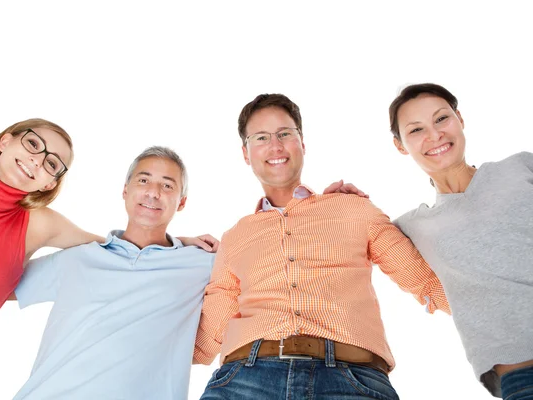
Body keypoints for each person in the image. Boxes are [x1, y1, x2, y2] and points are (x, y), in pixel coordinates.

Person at [193, 94, 450, 399]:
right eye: (261, 137)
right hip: (244, 380)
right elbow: (206, 339)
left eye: (285, 134)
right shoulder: (234, 237)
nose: (275, 146)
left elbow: (428, 283)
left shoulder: (354, 210)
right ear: (246, 153)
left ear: (302, 143)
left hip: (351, 379)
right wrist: (173, 246)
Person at [0, 123, 211, 400]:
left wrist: (175, 245)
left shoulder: (39, 225)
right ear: (5, 141)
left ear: (50, 182)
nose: (37, 159)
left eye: (51, 163)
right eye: (33, 144)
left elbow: (115, 248)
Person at [11, 146, 216, 400]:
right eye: (144, 180)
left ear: (181, 202)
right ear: (125, 190)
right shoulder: (79, 257)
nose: (153, 192)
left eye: (167, 186)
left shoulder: (201, 264)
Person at [388, 83, 533, 399]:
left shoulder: (521, 167)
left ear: (460, 119)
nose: (435, 134)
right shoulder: (412, 227)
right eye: (416, 129)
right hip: (522, 376)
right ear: (401, 146)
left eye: (442, 119)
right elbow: (359, 232)